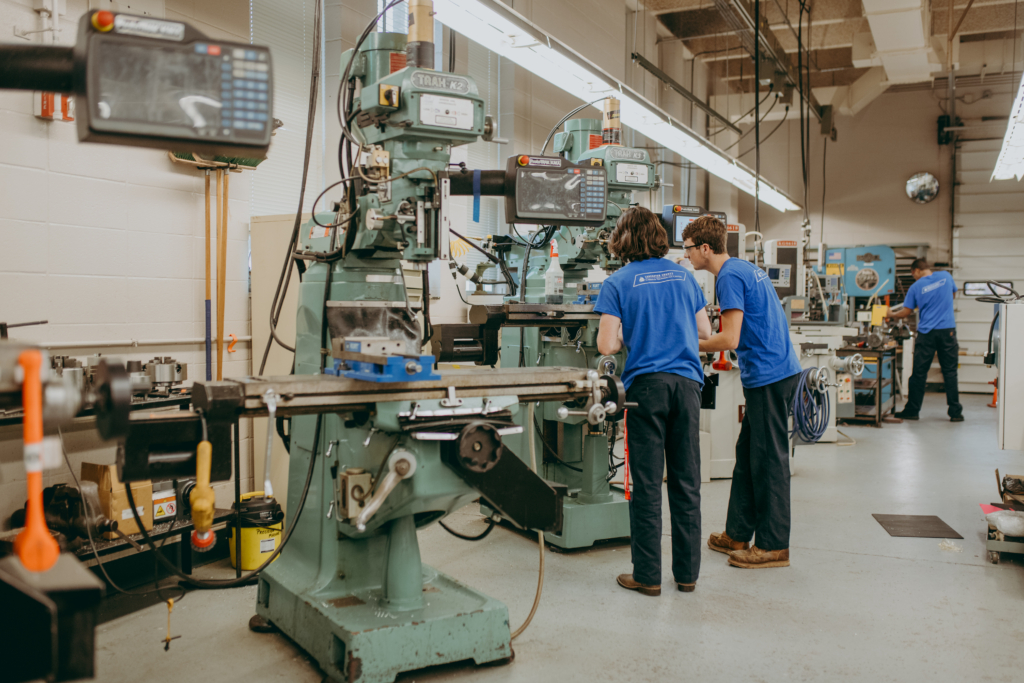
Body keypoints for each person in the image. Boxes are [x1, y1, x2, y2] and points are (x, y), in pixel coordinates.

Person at [595, 206, 712, 596]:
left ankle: (647, 576)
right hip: (688, 386)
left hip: (646, 389)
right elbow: (704, 331)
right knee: (686, 481)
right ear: (660, 237)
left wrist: (632, 330)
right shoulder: (685, 276)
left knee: (646, 483)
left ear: (621, 240)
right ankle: (687, 575)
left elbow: (607, 345)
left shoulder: (617, 282)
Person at [682, 216, 801, 569]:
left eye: (688, 249)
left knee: (768, 461)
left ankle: (773, 545)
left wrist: (684, 343)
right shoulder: (743, 268)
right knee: (748, 456)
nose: (686, 255)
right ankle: (736, 534)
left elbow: (729, 338)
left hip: (769, 376)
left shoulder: (729, 277)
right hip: (771, 372)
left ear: (705, 248)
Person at [888, 259, 963, 422]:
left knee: (919, 373)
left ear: (915, 270)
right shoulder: (946, 276)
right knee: (950, 372)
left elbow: (906, 312)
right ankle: (955, 412)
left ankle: (912, 411)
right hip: (947, 331)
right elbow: (952, 295)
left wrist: (890, 314)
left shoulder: (916, 287)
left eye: (913, 274)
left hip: (926, 333)